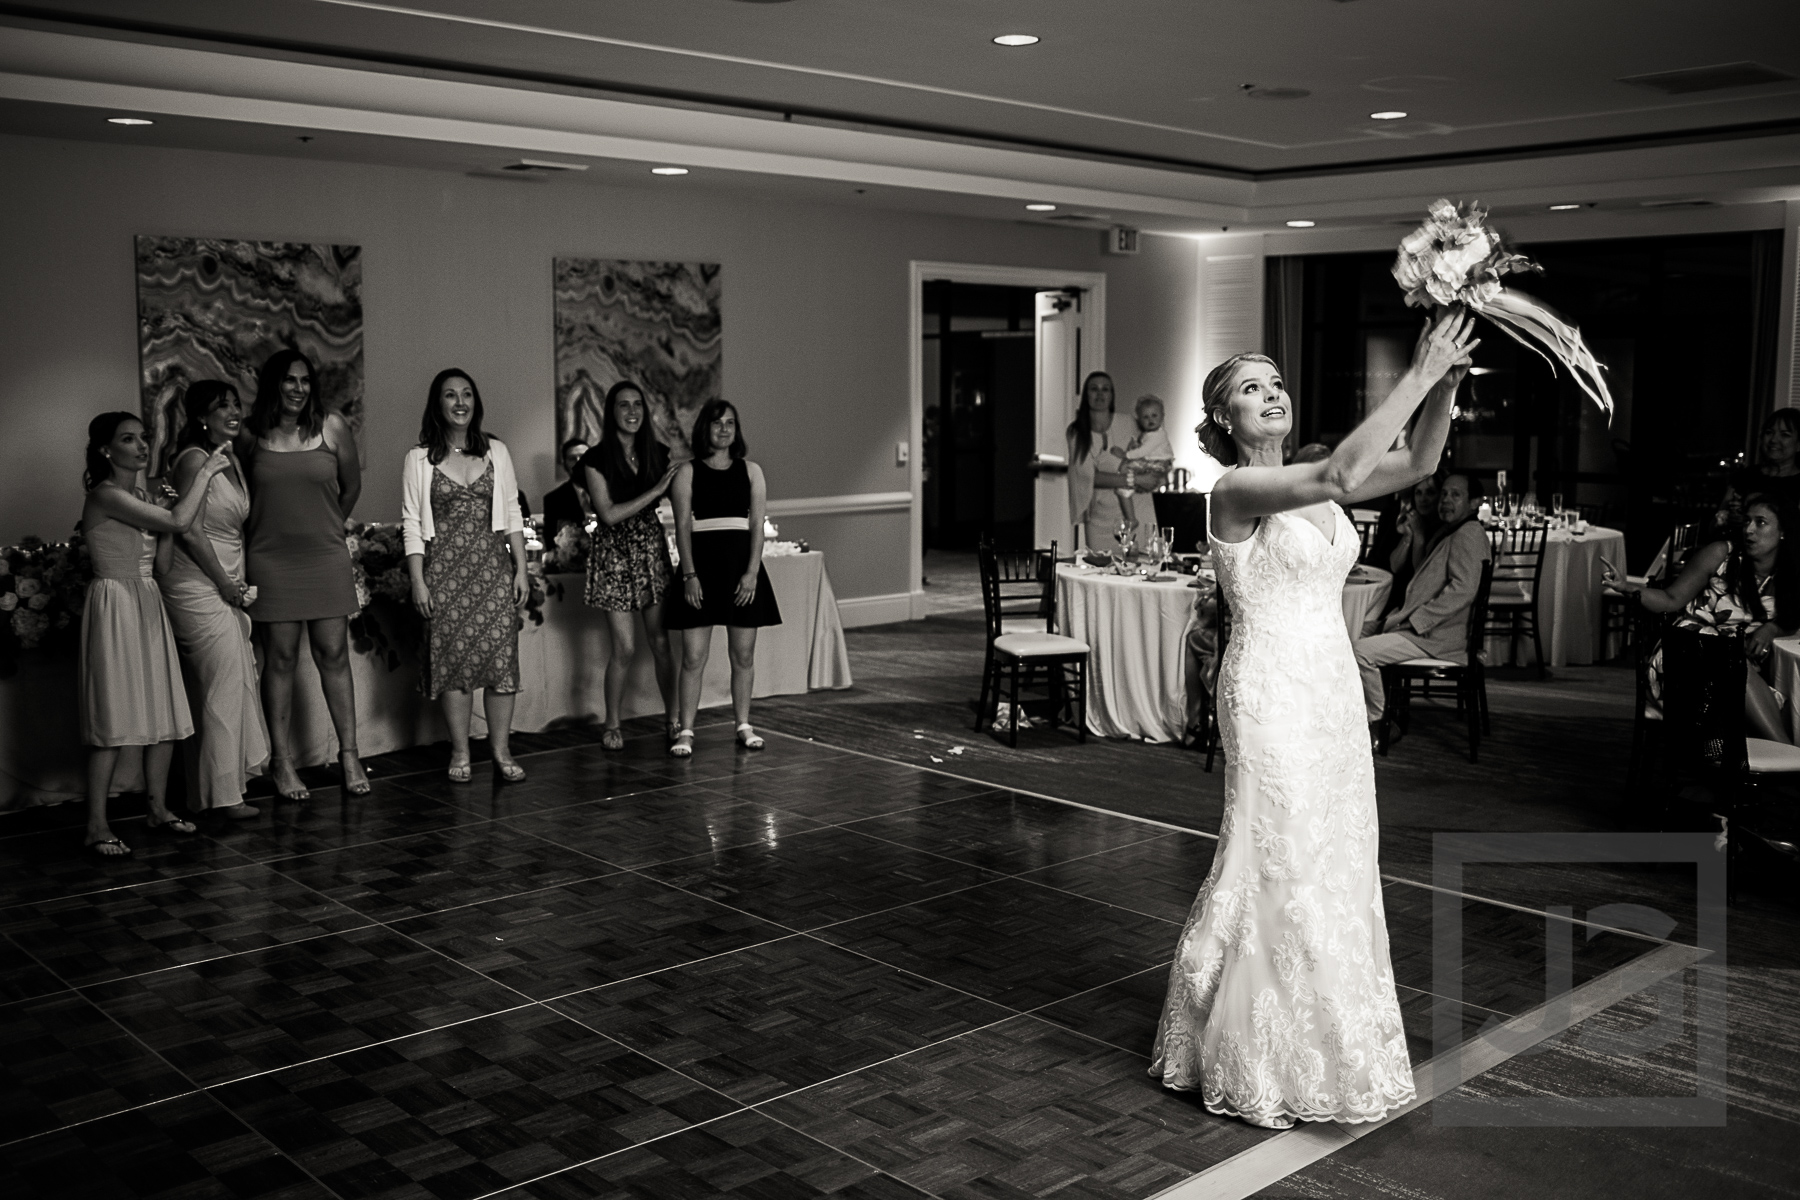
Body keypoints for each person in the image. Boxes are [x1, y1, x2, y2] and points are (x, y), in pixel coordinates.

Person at [1148, 308, 1477, 1127]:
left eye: (1277, 384)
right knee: (1279, 857)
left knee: (1335, 854)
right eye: (1250, 390)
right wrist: (1415, 371)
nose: (1272, 395)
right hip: (1266, 690)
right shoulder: (1235, 489)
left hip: (1328, 685)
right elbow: (1338, 478)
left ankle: (1326, 1042)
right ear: (1224, 421)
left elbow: (1424, 459)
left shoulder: (1315, 471)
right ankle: (1250, 1052)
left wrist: (1445, 386)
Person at [78, 412, 232, 856]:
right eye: (129, 439)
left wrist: (166, 514)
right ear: (107, 450)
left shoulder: (144, 495)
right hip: (115, 604)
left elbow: (163, 564)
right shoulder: (104, 495)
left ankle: (158, 808)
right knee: (112, 717)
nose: (142, 446)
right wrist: (203, 473)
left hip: (147, 599)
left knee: (162, 712)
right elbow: (184, 521)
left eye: (144, 437)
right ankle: (95, 824)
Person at [243, 348, 367, 800]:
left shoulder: (331, 427)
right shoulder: (250, 435)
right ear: (274, 384)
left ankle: (350, 754)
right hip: (270, 559)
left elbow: (351, 486)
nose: (298, 389)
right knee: (279, 659)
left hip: (325, 556)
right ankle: (281, 761)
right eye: (289, 380)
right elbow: (238, 499)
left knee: (334, 655)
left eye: (305, 381)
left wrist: (330, 526)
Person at [402, 369, 531, 782]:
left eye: (467, 394)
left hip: (492, 569)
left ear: (476, 402)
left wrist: (521, 570)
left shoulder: (496, 451)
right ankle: (460, 752)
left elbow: (512, 513)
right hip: (443, 572)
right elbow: (410, 523)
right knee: (455, 664)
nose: (460, 402)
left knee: (500, 662)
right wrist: (418, 580)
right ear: (437, 404)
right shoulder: (419, 458)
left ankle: (501, 751)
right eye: (450, 395)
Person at [159, 382, 270, 818]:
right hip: (197, 585)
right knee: (221, 686)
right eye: (222, 406)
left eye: (236, 403)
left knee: (235, 682)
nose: (234, 411)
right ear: (201, 416)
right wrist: (224, 583)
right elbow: (188, 529)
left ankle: (219, 788)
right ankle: (219, 798)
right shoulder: (192, 461)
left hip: (227, 581)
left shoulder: (232, 458)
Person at [1605, 494, 1797, 743]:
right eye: (1747, 521)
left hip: (1739, 673)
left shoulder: (1790, 575)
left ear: (1783, 531)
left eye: (1760, 523)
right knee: (1738, 672)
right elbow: (1670, 598)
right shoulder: (1721, 554)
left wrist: (1773, 628)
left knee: (1776, 704)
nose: (1749, 530)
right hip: (1684, 656)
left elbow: (1794, 620)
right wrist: (1627, 587)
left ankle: (1777, 767)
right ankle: (1791, 763)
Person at [666, 400, 782, 758]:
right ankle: (685, 730)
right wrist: (689, 575)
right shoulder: (687, 472)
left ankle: (743, 725)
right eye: (717, 423)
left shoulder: (752, 471)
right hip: (700, 570)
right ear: (706, 429)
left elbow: (756, 527)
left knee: (743, 655)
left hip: (740, 570)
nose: (725, 429)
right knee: (693, 657)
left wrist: (751, 573)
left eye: (731, 423)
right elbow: (682, 527)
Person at [579, 381, 680, 751]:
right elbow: (607, 514)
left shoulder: (658, 453)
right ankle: (612, 723)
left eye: (638, 404)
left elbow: (686, 491)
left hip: (650, 550)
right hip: (614, 555)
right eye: (624, 405)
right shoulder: (594, 459)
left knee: (660, 642)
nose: (632, 412)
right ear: (612, 412)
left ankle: (673, 719)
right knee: (623, 648)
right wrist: (654, 492)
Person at [1352, 472, 1491, 732]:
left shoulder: (1468, 534)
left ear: (1474, 503)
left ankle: (1378, 720)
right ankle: (1354, 712)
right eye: (1445, 493)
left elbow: (1463, 589)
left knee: (1359, 652)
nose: (1446, 500)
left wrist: (1418, 620)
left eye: (1456, 495)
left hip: (1437, 636)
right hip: (1426, 629)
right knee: (1351, 632)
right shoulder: (1453, 531)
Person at [1065, 371, 1163, 553]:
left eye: (1105, 389)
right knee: (1101, 567)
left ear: (1112, 395)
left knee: (1141, 568)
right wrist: (1135, 479)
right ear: (1086, 395)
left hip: (1138, 509)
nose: (1100, 394)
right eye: (1094, 389)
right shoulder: (1077, 431)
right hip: (1100, 515)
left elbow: (1153, 449)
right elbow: (1089, 476)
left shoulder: (1129, 422)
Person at [1718, 408, 1800, 523]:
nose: (1774, 440)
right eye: (1769, 432)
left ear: (1798, 445)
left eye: (1785, 435)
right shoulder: (1744, 477)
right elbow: (1715, 524)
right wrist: (1728, 518)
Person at [1104, 394, 1176, 513]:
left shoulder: (1158, 435)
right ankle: (1128, 490)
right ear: (1139, 420)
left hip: (1158, 464)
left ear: (1162, 416)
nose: (1150, 420)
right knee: (1127, 475)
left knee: (1125, 468)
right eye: (1145, 417)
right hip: (1155, 464)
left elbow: (1144, 451)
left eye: (1154, 415)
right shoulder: (1148, 434)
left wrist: (1125, 454)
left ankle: (1127, 490)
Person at [1386, 472, 1445, 602]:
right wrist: (1407, 537)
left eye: (1430, 492)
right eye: (1418, 493)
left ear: (1440, 495)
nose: (1423, 499)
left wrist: (1419, 536)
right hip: (1401, 594)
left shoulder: (1443, 530)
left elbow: (1421, 574)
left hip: (1423, 600)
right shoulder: (1415, 521)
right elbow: (1395, 566)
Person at [543, 437, 592, 541]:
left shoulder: (610, 492)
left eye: (583, 457)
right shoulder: (553, 500)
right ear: (565, 464)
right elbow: (551, 541)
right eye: (572, 459)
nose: (578, 463)